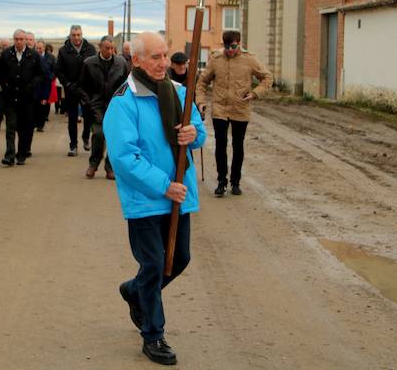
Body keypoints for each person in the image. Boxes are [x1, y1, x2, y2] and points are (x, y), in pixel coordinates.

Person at [103, 32, 206, 366]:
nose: (163, 64)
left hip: (178, 197)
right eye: (155, 57)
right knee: (153, 265)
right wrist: (164, 185)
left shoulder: (179, 92)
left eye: (165, 56)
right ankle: (153, 334)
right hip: (146, 199)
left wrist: (193, 134)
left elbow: (198, 132)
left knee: (179, 259)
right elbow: (124, 158)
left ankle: (134, 291)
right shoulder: (124, 101)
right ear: (137, 60)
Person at [196, 30, 273, 197]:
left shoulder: (249, 59)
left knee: (238, 145)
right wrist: (200, 101)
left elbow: (267, 78)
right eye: (226, 46)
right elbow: (202, 81)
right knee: (220, 143)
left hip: (240, 108)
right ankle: (222, 181)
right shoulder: (216, 59)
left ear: (239, 43)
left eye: (233, 46)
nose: (230, 50)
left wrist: (255, 93)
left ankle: (235, 182)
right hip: (220, 109)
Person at [77, 36, 129, 180]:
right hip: (96, 105)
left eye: (112, 48)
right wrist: (88, 102)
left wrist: (123, 102)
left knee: (113, 137)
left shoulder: (121, 63)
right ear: (100, 47)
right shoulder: (89, 63)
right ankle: (93, 164)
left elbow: (126, 84)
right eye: (107, 48)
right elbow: (81, 86)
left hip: (115, 105)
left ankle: (110, 167)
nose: (110, 51)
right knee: (99, 134)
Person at [0, 29, 45, 166]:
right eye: (16, 39)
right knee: (10, 126)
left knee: (25, 127)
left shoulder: (34, 55)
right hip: (10, 97)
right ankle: (9, 155)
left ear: (25, 40)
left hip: (27, 98)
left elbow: (42, 74)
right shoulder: (6, 55)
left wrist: (32, 85)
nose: (19, 42)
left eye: (21, 39)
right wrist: (5, 85)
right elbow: (0, 73)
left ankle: (21, 153)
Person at [56, 25, 96, 156]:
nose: (76, 37)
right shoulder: (63, 51)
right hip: (71, 89)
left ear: (82, 34)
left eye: (78, 34)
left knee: (88, 116)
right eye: (74, 35)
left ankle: (85, 136)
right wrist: (67, 84)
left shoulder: (90, 49)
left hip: (87, 89)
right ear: (70, 35)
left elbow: (95, 67)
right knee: (72, 118)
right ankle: (73, 145)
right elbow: (59, 70)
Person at [33, 40, 56, 132]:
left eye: (40, 48)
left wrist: (51, 77)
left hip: (46, 83)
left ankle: (40, 125)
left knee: (44, 105)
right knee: (35, 106)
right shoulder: (32, 56)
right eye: (37, 48)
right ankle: (35, 123)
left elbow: (55, 69)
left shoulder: (50, 57)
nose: (38, 50)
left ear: (44, 48)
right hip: (35, 85)